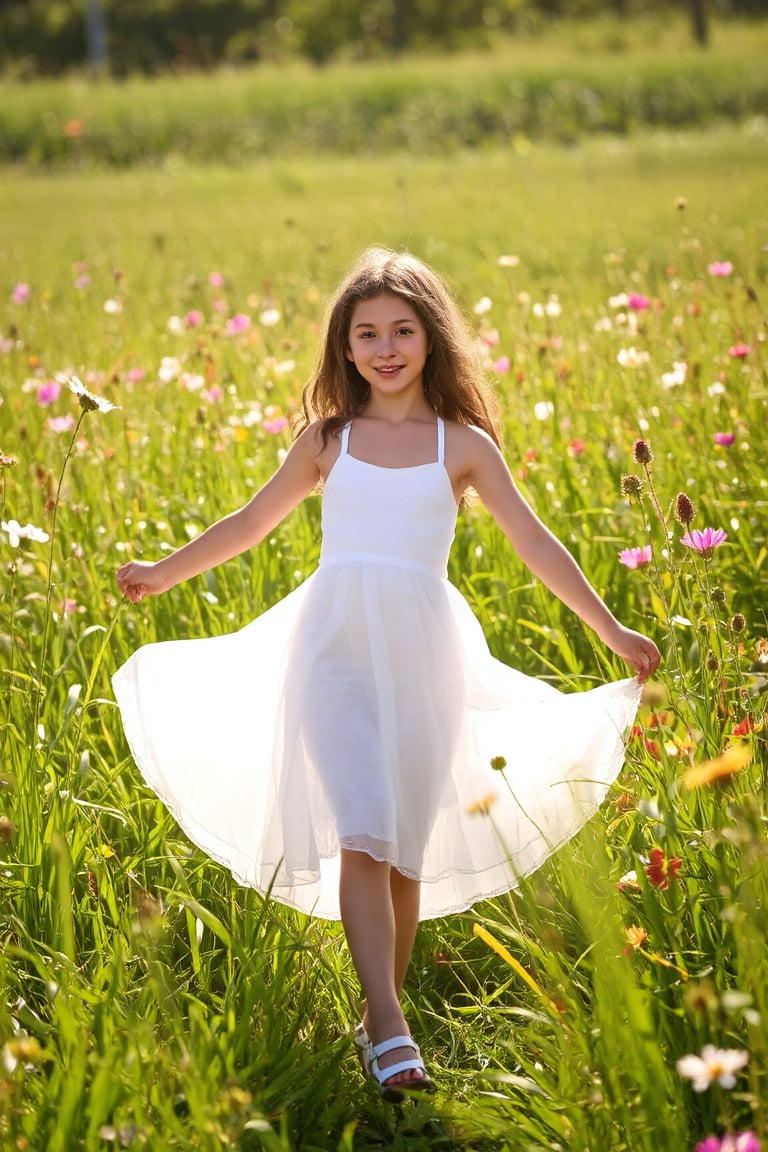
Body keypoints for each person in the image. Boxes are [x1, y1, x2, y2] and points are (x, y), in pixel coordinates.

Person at [113, 247, 660, 1102]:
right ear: (345, 348)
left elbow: (535, 542)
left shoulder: (462, 446)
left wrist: (612, 627)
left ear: (431, 339)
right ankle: (391, 1024)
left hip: (427, 658)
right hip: (330, 649)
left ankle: (379, 1019)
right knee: (363, 829)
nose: (386, 347)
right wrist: (162, 569)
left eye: (403, 330)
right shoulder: (329, 441)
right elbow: (250, 522)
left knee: (400, 854)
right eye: (367, 333)